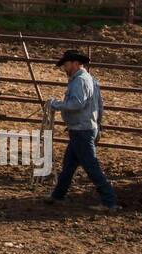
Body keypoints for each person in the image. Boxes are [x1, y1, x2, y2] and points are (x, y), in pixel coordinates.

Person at [45, 49, 118, 212]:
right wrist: (98, 125)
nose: (64, 68)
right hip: (83, 128)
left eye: (66, 64)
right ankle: (58, 195)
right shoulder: (88, 79)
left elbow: (76, 104)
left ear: (75, 63)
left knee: (91, 166)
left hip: (81, 130)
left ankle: (109, 200)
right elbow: (99, 104)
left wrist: (55, 104)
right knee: (69, 165)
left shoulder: (79, 81)